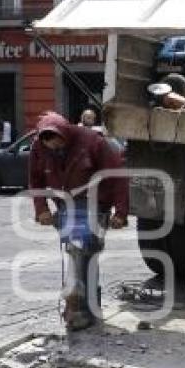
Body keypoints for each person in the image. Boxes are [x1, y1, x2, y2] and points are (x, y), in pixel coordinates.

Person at [29, 111, 129, 331]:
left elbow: (117, 176)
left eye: (58, 144)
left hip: (94, 204)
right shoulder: (39, 147)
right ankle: (84, 310)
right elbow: (35, 178)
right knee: (80, 255)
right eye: (50, 146)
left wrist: (120, 212)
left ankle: (81, 310)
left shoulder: (92, 142)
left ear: (64, 133)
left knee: (81, 252)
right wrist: (41, 208)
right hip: (65, 204)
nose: (54, 149)